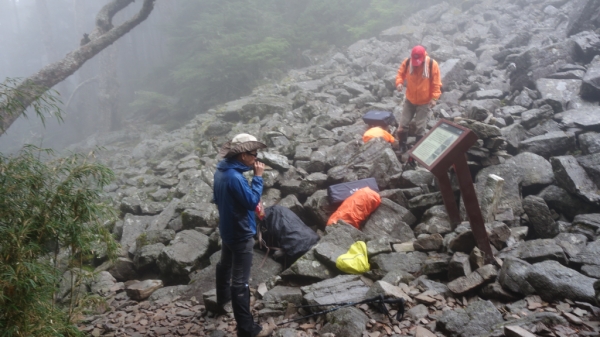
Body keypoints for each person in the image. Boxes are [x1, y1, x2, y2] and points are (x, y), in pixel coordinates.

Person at [213, 133, 271, 337]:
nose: (256, 158)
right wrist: (258, 177)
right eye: (253, 154)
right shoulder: (235, 177)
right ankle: (248, 329)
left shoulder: (221, 171)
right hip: (241, 232)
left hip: (227, 228)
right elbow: (251, 201)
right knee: (241, 281)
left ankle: (222, 301)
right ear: (242, 155)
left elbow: (217, 198)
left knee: (224, 264)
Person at [395, 45, 442, 153]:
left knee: (420, 127)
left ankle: (418, 151)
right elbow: (400, 74)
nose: (416, 64)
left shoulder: (431, 64)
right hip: (410, 99)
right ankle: (402, 147)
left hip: (424, 102)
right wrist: (399, 83)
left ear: (423, 56)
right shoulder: (407, 62)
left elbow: (436, 83)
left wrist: (434, 98)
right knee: (403, 124)